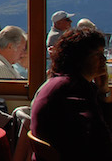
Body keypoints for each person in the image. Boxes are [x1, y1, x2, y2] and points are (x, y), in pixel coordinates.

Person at [31, 27, 112, 158]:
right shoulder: (70, 89)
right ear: (80, 58)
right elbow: (99, 138)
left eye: (104, 54)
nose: (103, 60)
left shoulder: (63, 82)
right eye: (97, 54)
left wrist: (103, 90)